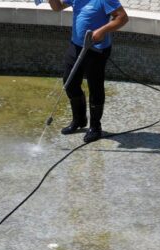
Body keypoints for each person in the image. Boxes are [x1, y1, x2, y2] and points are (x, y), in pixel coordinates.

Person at [48, 0, 129, 143]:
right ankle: (79, 120)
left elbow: (122, 18)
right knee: (70, 82)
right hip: (76, 45)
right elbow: (57, 8)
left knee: (95, 87)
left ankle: (95, 127)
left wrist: (102, 30)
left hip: (96, 49)